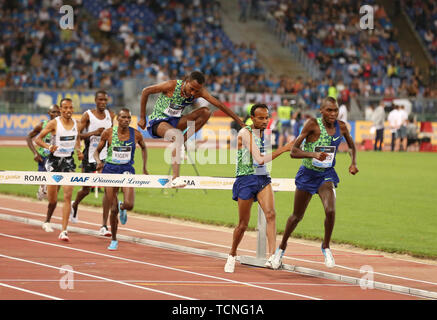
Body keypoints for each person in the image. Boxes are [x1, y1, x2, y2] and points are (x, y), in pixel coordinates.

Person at [271, 97, 358, 270]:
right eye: (329, 110)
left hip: (326, 175)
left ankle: (326, 247)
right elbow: (294, 152)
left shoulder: (341, 126)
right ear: (321, 111)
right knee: (297, 216)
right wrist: (313, 155)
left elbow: (352, 146)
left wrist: (353, 162)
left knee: (330, 210)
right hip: (308, 174)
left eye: (335, 110)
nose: (333, 114)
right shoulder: (312, 125)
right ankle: (281, 249)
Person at [138, 71, 245, 188]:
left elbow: (220, 105)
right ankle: (175, 178)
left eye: (196, 90)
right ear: (186, 82)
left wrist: (240, 122)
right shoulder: (171, 85)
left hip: (176, 121)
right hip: (158, 122)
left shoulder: (199, 92)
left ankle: (182, 141)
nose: (193, 93)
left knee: (206, 112)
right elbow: (145, 91)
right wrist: (143, 117)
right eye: (192, 88)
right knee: (176, 136)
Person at [224, 103, 292, 273]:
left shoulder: (262, 132)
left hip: (262, 178)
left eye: (266, 117)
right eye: (260, 118)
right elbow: (260, 159)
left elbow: (261, 163)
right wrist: (284, 149)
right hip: (245, 179)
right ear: (252, 118)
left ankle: (272, 257)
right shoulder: (244, 133)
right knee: (243, 224)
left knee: (271, 214)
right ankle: (232, 254)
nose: (264, 121)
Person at [94, 108, 148, 251]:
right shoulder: (109, 133)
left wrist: (144, 167)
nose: (126, 120)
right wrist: (98, 161)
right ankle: (114, 239)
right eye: (123, 117)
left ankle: (122, 206)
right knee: (112, 209)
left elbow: (144, 148)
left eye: (129, 118)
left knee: (129, 204)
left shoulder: (136, 134)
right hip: (110, 170)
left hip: (127, 170)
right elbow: (96, 152)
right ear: (117, 119)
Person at [35, 98, 83, 241]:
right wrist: (49, 147)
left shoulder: (76, 124)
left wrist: (79, 150)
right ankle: (44, 191)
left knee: (67, 196)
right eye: (65, 108)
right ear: (61, 110)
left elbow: (78, 138)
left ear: (73, 109)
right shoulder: (54, 123)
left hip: (68, 161)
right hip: (54, 161)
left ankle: (64, 231)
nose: (68, 110)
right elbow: (38, 139)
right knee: (53, 199)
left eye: (70, 108)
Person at [70, 90, 115, 237]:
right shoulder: (87, 115)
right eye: (100, 100)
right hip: (89, 157)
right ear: (95, 100)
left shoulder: (110, 115)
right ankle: (75, 204)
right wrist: (93, 133)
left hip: (106, 157)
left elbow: (114, 133)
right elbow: (77, 135)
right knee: (86, 190)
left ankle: (103, 225)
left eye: (105, 100)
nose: (103, 102)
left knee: (108, 192)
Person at [26, 104, 60, 200]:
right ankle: (42, 189)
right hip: (44, 157)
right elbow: (29, 137)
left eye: (58, 112)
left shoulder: (64, 126)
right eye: (54, 112)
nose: (56, 114)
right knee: (44, 187)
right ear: (49, 113)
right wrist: (35, 153)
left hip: (58, 158)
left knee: (55, 185)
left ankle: (49, 198)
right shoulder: (42, 125)